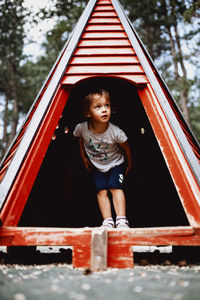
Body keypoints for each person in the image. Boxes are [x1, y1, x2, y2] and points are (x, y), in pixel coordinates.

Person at [73, 89, 132, 228]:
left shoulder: (116, 132)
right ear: (88, 113)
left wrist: (129, 163)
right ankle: (107, 221)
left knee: (115, 187)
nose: (104, 110)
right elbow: (80, 139)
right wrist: (83, 157)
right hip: (97, 165)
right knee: (101, 190)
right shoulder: (81, 128)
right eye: (98, 107)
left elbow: (126, 148)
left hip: (117, 163)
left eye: (107, 105)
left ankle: (122, 220)